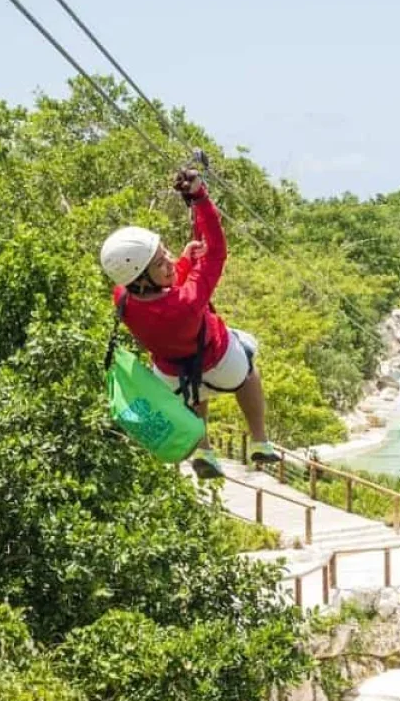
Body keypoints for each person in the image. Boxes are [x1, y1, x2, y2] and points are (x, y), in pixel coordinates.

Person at [99, 167, 280, 479]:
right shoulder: (187, 301)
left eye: (164, 252)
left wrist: (182, 261)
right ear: (141, 278)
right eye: (160, 262)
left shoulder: (123, 299)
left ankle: (203, 450)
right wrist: (200, 198)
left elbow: (163, 299)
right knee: (249, 358)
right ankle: (260, 441)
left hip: (170, 375)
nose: (169, 260)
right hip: (223, 363)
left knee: (194, 393)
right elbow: (217, 251)